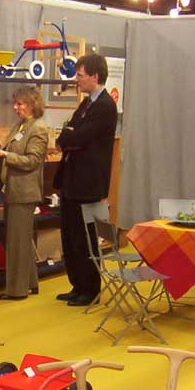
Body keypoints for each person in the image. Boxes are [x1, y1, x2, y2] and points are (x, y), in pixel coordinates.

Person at [53, 54, 118, 306]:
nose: (76, 79)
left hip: (88, 184)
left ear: (95, 76)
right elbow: (68, 133)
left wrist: (70, 136)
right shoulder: (86, 104)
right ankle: (76, 284)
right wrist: (69, 136)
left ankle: (90, 288)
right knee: (70, 237)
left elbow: (77, 137)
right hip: (72, 182)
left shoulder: (103, 106)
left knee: (86, 238)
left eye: (80, 75)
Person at [0, 87, 48, 300]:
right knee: (21, 240)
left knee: (17, 242)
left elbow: (32, 161)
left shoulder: (38, 129)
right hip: (14, 190)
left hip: (24, 193)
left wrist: (5, 154)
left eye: (20, 104)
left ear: (32, 104)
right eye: (15, 103)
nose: (15, 107)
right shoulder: (22, 125)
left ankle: (17, 290)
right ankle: (30, 282)